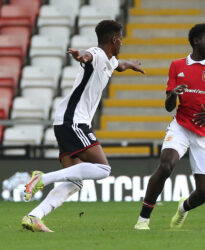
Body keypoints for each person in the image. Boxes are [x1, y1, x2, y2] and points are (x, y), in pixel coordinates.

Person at [21, 20, 144, 232]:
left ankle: (34, 216)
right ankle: (42, 178)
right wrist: (81, 56)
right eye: (121, 39)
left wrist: (131, 64)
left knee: (75, 181)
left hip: (65, 122)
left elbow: (118, 65)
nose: (122, 43)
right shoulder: (96, 55)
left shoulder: (109, 60)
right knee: (103, 169)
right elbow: (88, 55)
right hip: (74, 121)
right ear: (115, 40)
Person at [134, 23, 205, 230]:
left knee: (204, 191)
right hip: (181, 125)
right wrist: (173, 94)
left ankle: (183, 209)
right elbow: (168, 107)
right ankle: (143, 220)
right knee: (166, 165)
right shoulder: (177, 65)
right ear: (196, 41)